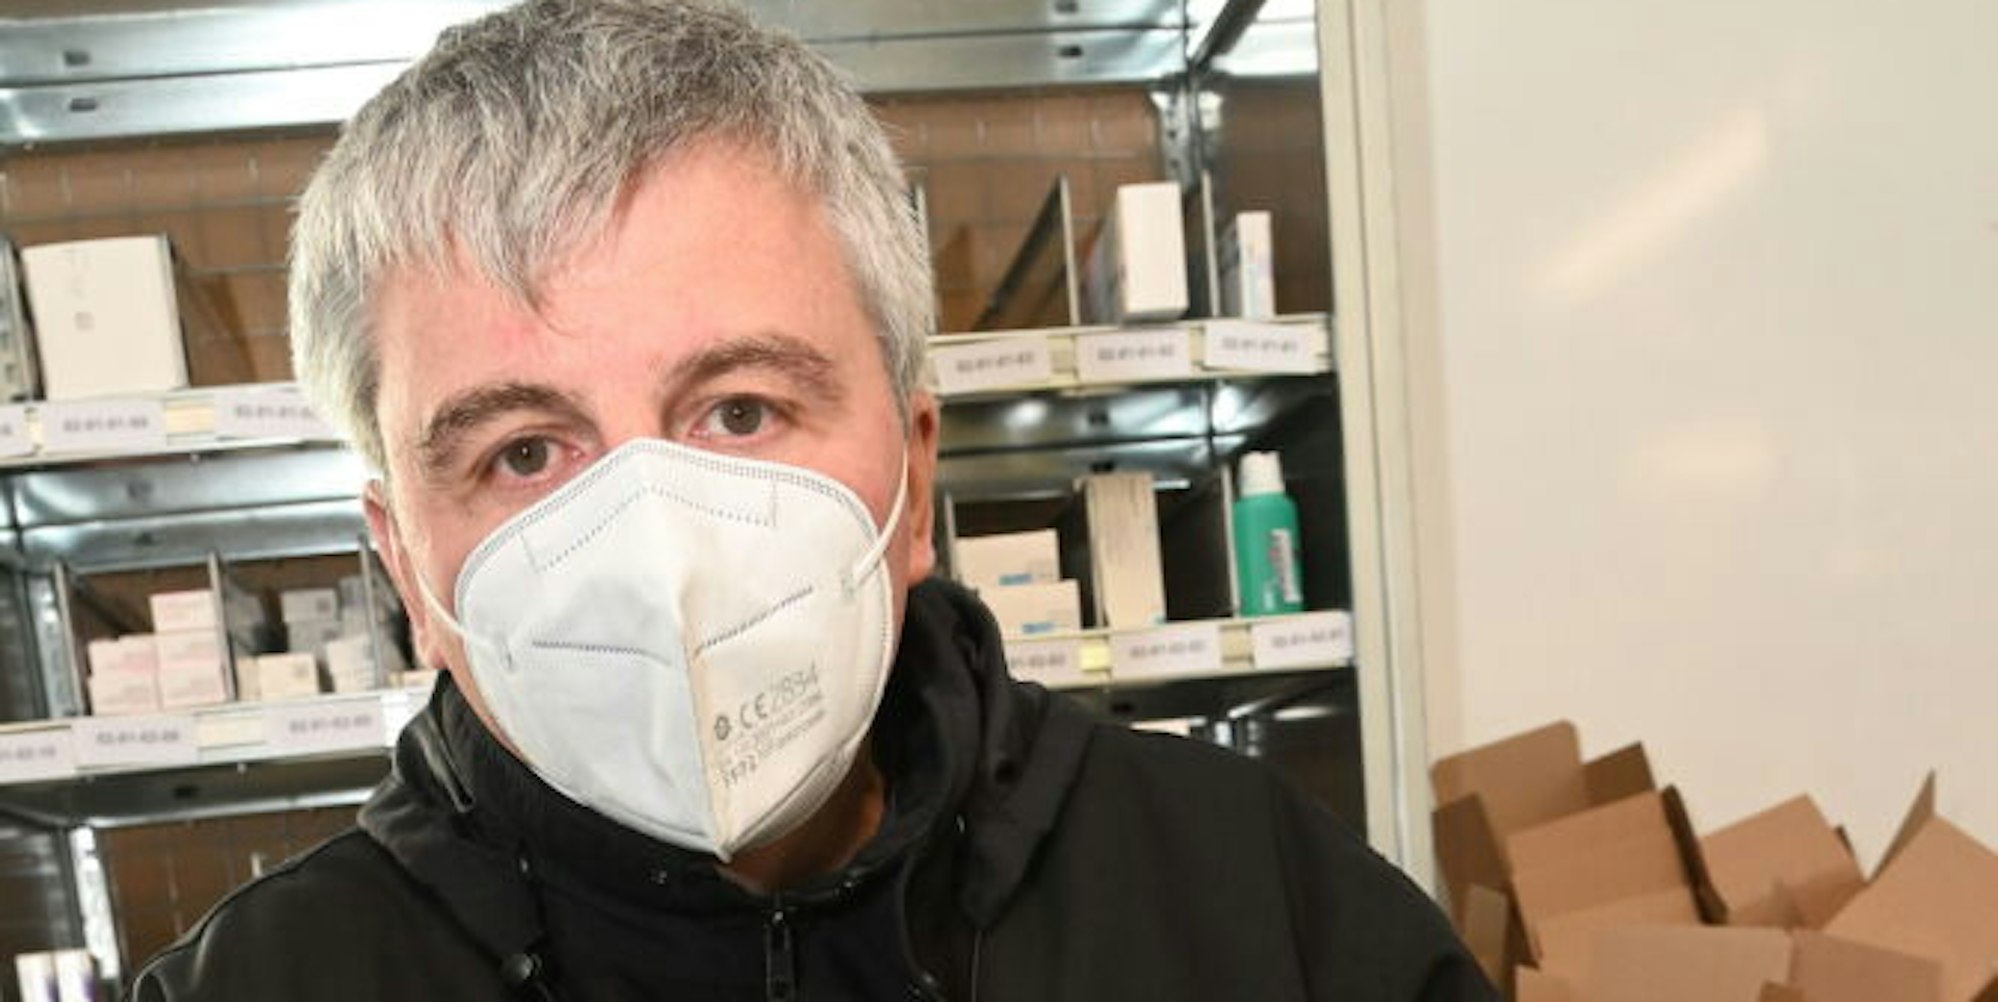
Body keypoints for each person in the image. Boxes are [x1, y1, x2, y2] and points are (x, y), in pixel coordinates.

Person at [132, 0, 1493, 998]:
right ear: (404, 568)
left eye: (740, 411)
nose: (657, 554)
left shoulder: (1249, 906)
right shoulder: (262, 988)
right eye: (526, 453)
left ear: (913, 476)